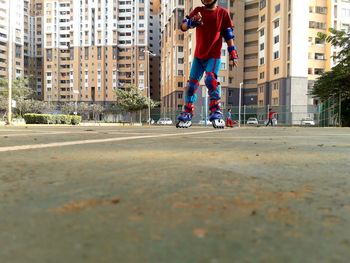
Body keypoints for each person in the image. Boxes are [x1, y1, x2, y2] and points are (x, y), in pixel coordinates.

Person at [176, 0, 238, 129]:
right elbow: (183, 26)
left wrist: (233, 52)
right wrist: (191, 23)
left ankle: (216, 111)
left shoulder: (223, 13)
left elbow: (228, 34)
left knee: (210, 79)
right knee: (191, 86)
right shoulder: (198, 11)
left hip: (213, 56)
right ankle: (187, 112)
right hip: (198, 56)